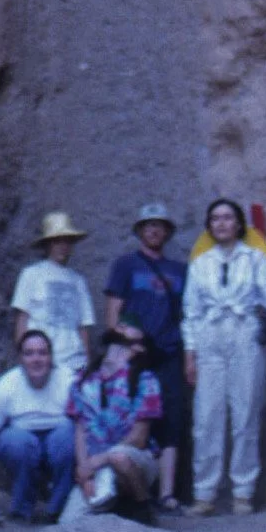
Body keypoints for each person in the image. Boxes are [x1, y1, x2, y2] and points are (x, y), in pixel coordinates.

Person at [182, 195, 266, 512]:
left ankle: (243, 491)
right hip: (210, 336)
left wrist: (259, 327)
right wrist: (190, 353)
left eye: (227, 217)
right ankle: (205, 493)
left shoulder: (254, 259)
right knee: (207, 417)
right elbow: (191, 312)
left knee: (245, 414)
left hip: (243, 332)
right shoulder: (200, 264)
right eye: (216, 218)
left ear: (238, 224)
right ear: (209, 226)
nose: (222, 223)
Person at [104, 199, 188, 504]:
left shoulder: (180, 270)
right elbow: (113, 312)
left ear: (167, 231)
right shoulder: (125, 265)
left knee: (172, 419)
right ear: (140, 230)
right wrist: (125, 342)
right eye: (149, 225)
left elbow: (188, 314)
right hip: (135, 353)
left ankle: (166, 493)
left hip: (169, 352)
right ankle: (130, 487)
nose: (154, 230)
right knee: (131, 416)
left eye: (159, 225)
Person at [0, 328, 80, 521]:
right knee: (16, 441)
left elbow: (87, 427)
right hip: (22, 442)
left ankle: (58, 509)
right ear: (20, 359)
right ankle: (22, 508)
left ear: (51, 357)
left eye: (42, 353)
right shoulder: (7, 386)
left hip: (60, 441)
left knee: (67, 437)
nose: (36, 359)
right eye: (29, 353)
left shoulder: (68, 381)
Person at [67, 316, 164, 516]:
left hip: (133, 459)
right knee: (70, 520)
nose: (118, 346)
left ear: (139, 349)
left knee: (119, 458)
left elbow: (138, 439)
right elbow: (80, 430)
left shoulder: (145, 381)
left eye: (126, 342)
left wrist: (98, 461)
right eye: (115, 339)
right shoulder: (82, 381)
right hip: (96, 464)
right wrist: (85, 473)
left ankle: (143, 508)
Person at [9, 212, 97, 380]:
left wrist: (87, 363)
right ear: (48, 245)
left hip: (74, 362)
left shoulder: (79, 281)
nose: (63, 246)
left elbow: (83, 326)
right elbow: (22, 319)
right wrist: (23, 358)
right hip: (42, 361)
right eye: (57, 241)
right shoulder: (31, 274)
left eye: (67, 241)